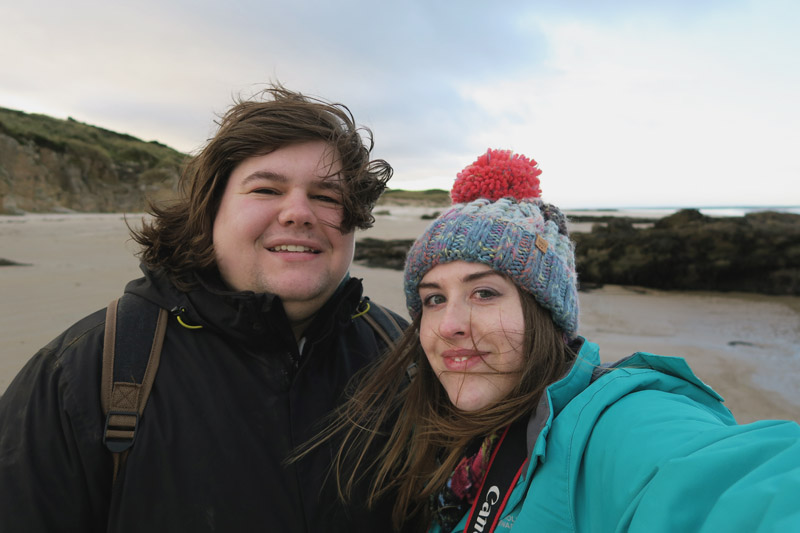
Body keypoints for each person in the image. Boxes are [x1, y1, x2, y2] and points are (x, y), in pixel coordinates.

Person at [315, 149, 800, 532]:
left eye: (485, 292)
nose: (448, 325)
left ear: (546, 312)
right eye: (434, 300)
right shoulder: (441, 443)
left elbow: (729, 487)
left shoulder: (612, 426)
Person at [0, 85, 409, 532]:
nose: (298, 213)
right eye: (267, 189)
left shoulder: (406, 356)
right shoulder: (82, 375)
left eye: (327, 196)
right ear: (211, 211)